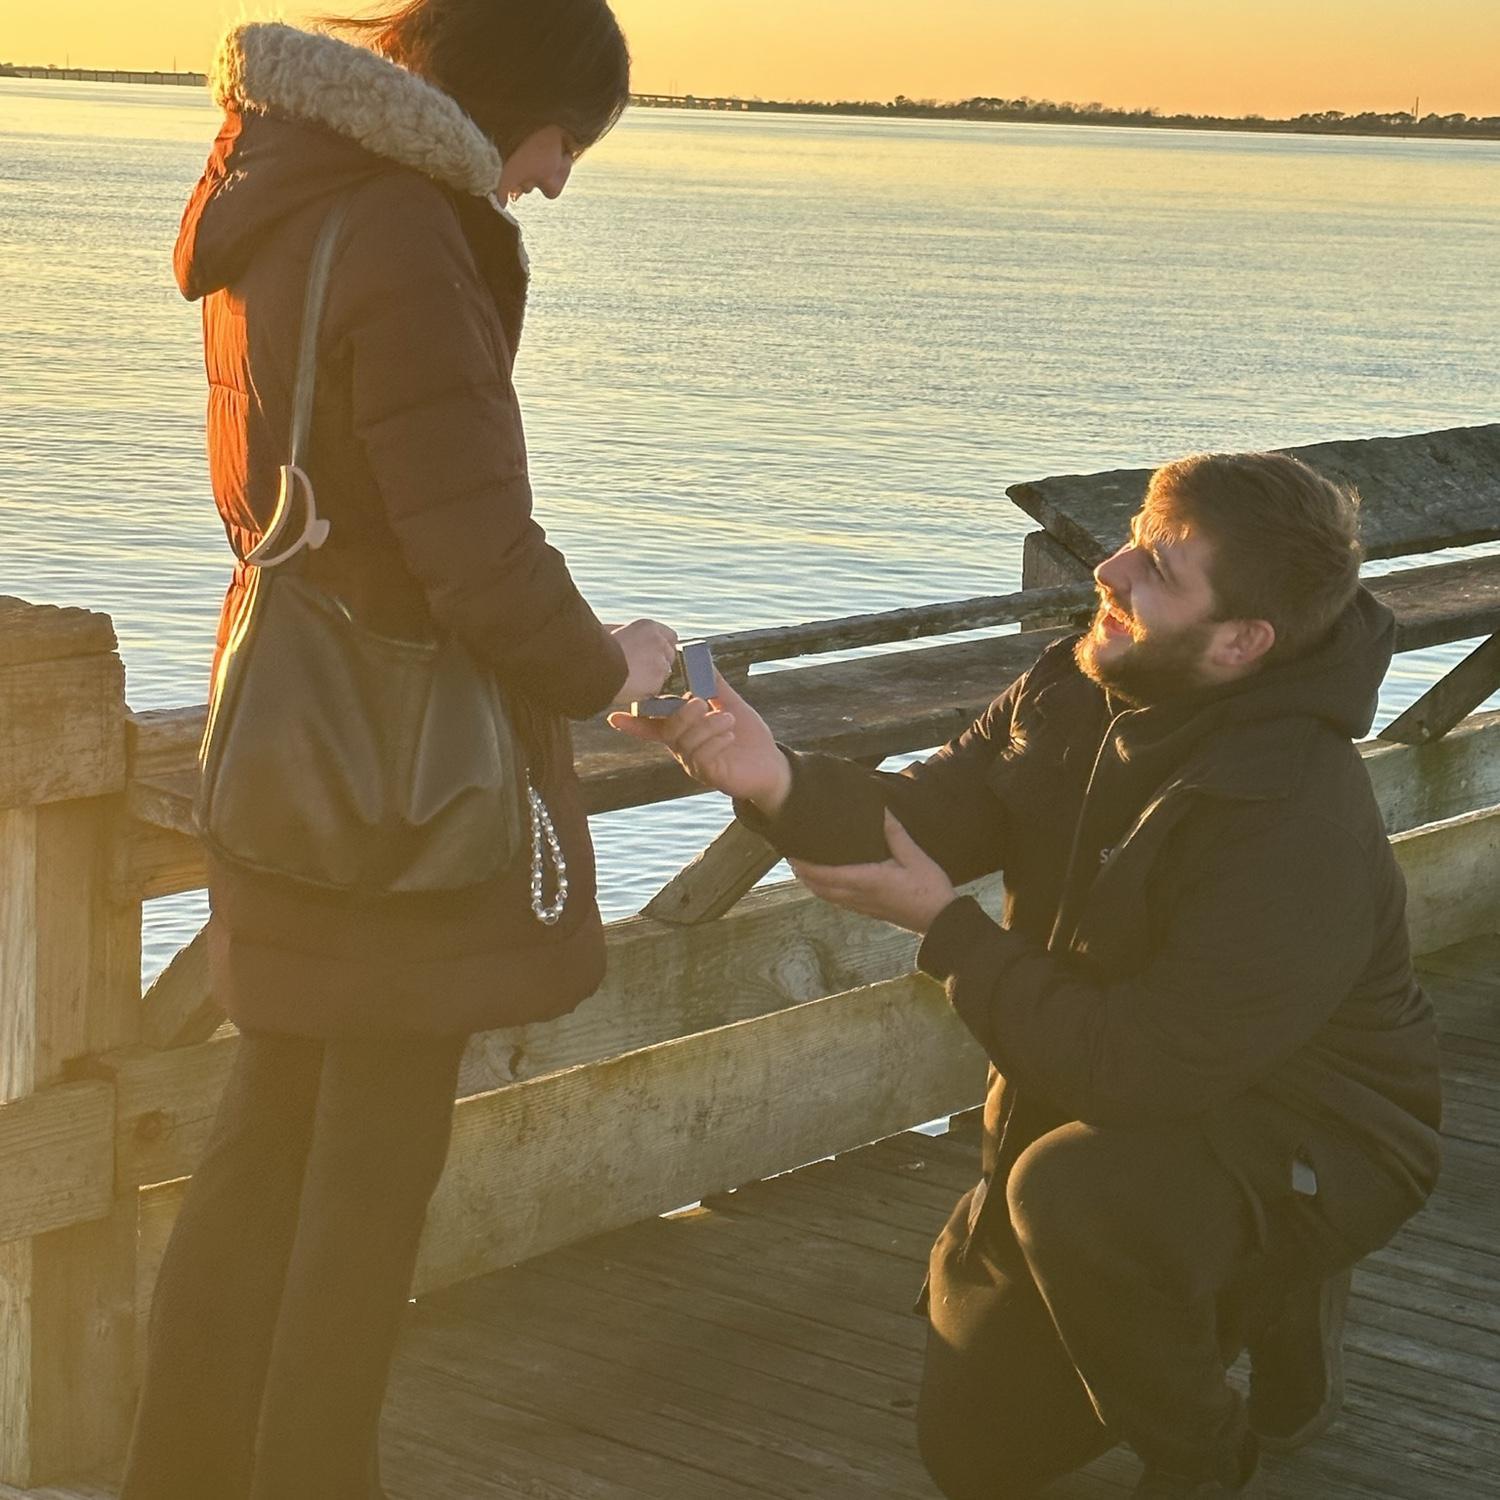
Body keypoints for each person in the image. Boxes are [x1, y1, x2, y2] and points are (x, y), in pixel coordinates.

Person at [613, 452, 1443, 1499]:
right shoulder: (1083, 682)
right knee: (981, 1458)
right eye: (1133, 539)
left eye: (1157, 569)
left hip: (1315, 1132)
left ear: (1243, 640)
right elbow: (925, 821)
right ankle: (1215, 1282)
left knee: (1073, 1195)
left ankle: (1207, 1451)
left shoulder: (1294, 814)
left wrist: (949, 933)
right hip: (1113, 1098)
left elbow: (1139, 1071)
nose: (1110, 569)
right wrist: (765, 770)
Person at [121, 6, 676, 1497]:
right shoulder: (407, 228)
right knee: (369, 1171)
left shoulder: (283, 190)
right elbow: (473, 548)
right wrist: (607, 664)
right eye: (565, 139)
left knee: (265, 1138)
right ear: (511, 101)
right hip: (400, 768)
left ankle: (182, 1474)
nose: (556, 178)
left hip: (283, 721)